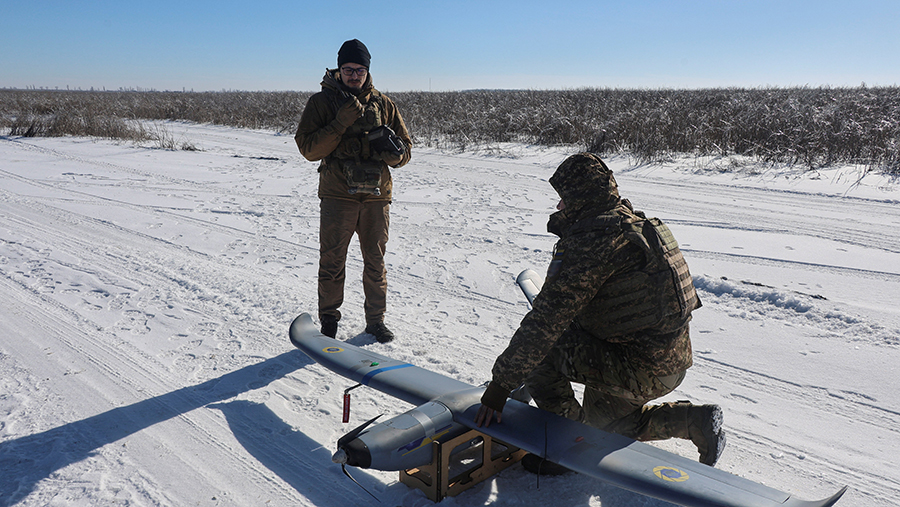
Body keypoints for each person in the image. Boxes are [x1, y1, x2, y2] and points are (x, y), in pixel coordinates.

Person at [475, 153, 725, 474]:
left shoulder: (594, 241)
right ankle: (694, 421)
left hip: (636, 368)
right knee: (606, 430)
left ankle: (568, 449)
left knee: (542, 353)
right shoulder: (638, 225)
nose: (559, 206)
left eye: (564, 198)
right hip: (670, 363)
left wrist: (499, 388)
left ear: (580, 197)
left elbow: (544, 325)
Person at [295, 39, 412, 343]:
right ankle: (329, 320)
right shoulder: (321, 103)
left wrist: (394, 153)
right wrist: (340, 123)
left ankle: (376, 321)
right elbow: (309, 149)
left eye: (360, 70)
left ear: (368, 71)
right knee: (332, 261)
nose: (354, 75)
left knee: (375, 262)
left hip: (376, 196)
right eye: (348, 69)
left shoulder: (384, 104)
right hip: (338, 195)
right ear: (339, 69)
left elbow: (406, 150)